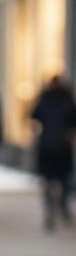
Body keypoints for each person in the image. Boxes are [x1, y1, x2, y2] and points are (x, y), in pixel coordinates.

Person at [31, 75, 76, 231]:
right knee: (61, 179)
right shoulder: (66, 100)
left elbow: (34, 116)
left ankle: (52, 209)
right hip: (59, 145)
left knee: (51, 180)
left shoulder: (46, 99)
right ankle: (59, 208)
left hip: (50, 145)